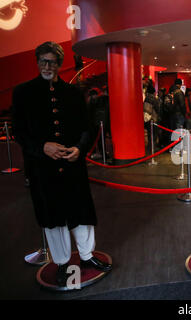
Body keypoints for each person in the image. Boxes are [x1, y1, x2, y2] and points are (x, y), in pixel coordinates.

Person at [11, 41, 112, 287]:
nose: (48, 66)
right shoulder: (23, 93)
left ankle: (88, 257)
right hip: (42, 169)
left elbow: (86, 129)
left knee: (81, 213)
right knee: (53, 218)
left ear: (59, 64)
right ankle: (63, 263)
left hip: (72, 166)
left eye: (53, 62)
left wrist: (79, 148)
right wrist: (42, 148)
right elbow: (19, 132)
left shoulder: (73, 94)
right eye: (44, 61)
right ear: (37, 62)